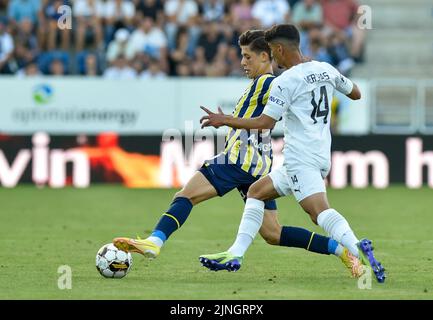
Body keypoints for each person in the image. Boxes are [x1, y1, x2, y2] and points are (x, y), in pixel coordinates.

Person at [113, 29, 363, 278]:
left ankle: (155, 241)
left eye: (247, 57)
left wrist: (226, 120)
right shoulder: (268, 82)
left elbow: (268, 119)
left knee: (186, 196)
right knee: (272, 233)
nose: (243, 63)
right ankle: (340, 250)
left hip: (240, 159)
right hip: (258, 166)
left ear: (267, 56)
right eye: (241, 57)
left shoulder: (271, 82)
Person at [199, 24, 386, 283]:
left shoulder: (284, 82)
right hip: (320, 155)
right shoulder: (324, 68)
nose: (273, 60)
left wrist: (226, 120)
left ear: (278, 49)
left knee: (318, 211)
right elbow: (356, 93)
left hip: (301, 158)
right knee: (256, 191)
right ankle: (236, 253)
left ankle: (355, 245)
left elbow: (265, 123)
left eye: (273, 54)